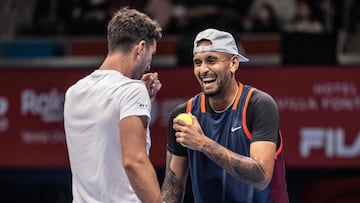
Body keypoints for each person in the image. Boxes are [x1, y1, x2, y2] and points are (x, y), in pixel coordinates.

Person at [161, 28, 289, 203]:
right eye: (197, 62)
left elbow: (261, 177)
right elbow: (173, 187)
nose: (203, 69)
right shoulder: (184, 115)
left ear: (233, 64)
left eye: (211, 60)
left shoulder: (258, 105)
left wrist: (203, 143)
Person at [64, 7, 164, 203]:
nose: (149, 64)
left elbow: (104, 138)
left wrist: (141, 101)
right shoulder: (132, 91)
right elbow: (134, 162)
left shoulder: (74, 92)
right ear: (141, 48)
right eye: (151, 54)